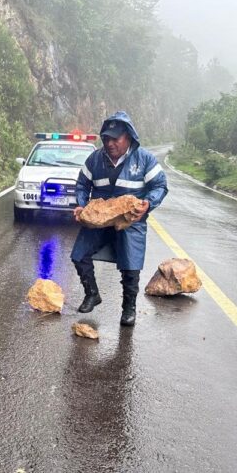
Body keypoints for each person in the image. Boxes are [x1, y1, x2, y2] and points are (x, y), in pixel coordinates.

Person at [70, 111, 168, 326]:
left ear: (128, 137)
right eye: (106, 138)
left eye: (115, 138)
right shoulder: (95, 158)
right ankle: (92, 294)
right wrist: (82, 205)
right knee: (78, 255)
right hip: (100, 218)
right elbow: (82, 184)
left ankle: (128, 308)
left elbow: (160, 186)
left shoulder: (144, 159)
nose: (110, 143)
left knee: (131, 266)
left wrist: (148, 204)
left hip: (130, 220)